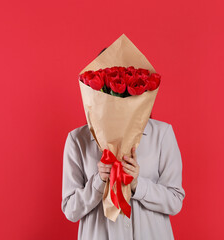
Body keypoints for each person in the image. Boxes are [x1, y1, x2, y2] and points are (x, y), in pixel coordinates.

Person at [61, 49, 185, 240]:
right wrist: (98, 182)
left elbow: (175, 201)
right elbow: (70, 210)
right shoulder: (78, 140)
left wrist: (138, 184)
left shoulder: (162, 134)